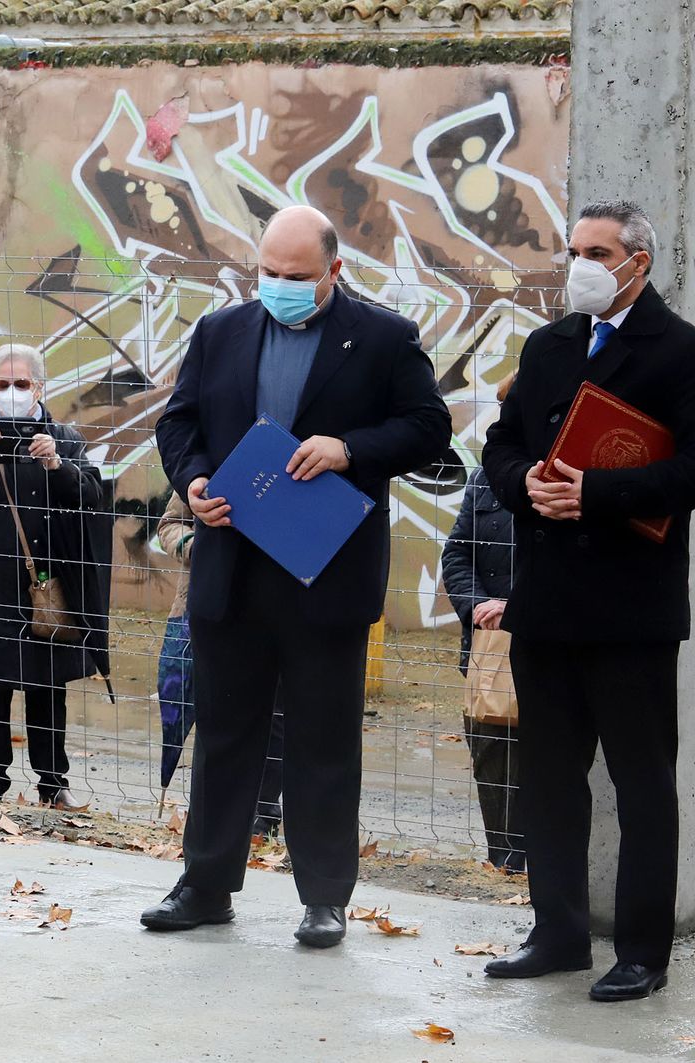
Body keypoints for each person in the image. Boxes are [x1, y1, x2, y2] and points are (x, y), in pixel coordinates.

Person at [148, 204, 450, 948]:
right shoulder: (220, 331)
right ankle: (205, 884)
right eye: (268, 273)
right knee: (224, 734)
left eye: (296, 275)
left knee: (323, 739)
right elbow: (179, 423)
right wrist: (193, 480)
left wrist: (350, 448)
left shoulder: (384, 337)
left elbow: (429, 428)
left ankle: (323, 897)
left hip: (326, 572)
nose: (279, 286)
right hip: (232, 567)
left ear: (334, 271)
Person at [479, 201, 695, 1002]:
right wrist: (525, 485)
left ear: (639, 261)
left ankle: (642, 950)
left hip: (631, 609)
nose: (582, 266)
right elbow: (501, 444)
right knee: (548, 778)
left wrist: (596, 493)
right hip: (547, 602)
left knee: (642, 783)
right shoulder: (549, 346)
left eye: (598, 252)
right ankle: (558, 932)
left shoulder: (681, 350)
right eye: (574, 250)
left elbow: (691, 469)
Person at [0, 343, 111, 808]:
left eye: (21, 383)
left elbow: (91, 497)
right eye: (2, 384)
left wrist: (57, 465)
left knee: (47, 684)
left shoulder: (63, 438)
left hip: (43, 586)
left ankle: (53, 782)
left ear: (40, 387)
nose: (12, 391)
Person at [154, 486, 285, 838]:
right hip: (210, 607)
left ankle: (264, 812)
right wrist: (199, 547)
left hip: (279, 607)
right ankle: (215, 815)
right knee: (214, 710)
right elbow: (169, 525)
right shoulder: (205, 465)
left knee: (275, 713)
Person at [439, 376, 523, 873]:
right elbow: (456, 553)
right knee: (491, 753)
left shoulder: (567, 476)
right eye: (504, 407)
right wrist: (477, 605)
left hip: (547, 642)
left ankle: (544, 862)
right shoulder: (484, 477)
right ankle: (505, 861)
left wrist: (518, 606)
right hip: (488, 650)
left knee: (549, 759)